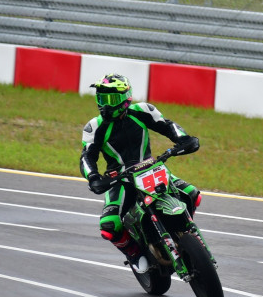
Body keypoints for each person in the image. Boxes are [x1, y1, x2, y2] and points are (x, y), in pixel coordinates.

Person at [80, 73, 201, 273]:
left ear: (125, 98)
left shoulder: (143, 111)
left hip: (151, 168)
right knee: (109, 226)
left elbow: (168, 126)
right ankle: (134, 253)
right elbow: (87, 157)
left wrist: (184, 139)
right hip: (119, 180)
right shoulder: (94, 127)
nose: (106, 105)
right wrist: (93, 177)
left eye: (111, 98)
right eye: (102, 98)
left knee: (192, 194)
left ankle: (184, 231)